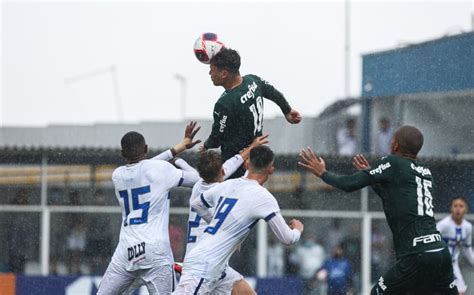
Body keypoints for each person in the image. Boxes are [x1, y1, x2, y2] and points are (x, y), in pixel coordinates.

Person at [299, 125, 458, 294]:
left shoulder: (393, 162)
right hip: (440, 252)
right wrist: (372, 175)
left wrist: (323, 173)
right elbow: (394, 198)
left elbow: (349, 184)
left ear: (395, 145)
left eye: (392, 139)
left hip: (416, 254)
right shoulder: (425, 172)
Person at [174, 145, 304, 294]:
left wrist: (220, 225)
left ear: (247, 164)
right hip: (203, 268)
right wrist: (297, 229)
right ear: (271, 170)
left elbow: (197, 203)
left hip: (218, 268)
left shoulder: (228, 184)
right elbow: (288, 238)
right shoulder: (264, 197)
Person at [97, 123, 201, 295]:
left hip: (126, 252)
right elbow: (198, 180)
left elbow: (142, 167)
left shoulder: (118, 175)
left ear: (122, 154)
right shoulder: (161, 170)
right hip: (156, 251)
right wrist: (180, 158)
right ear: (146, 148)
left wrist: (176, 148)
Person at [174, 135, 268, 295]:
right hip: (200, 264)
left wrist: (251, 148)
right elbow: (244, 179)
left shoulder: (199, 185)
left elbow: (232, 163)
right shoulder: (222, 193)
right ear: (222, 171)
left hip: (216, 265)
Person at [203, 48, 301, 178]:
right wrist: (287, 110)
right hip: (255, 157)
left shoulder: (225, 103)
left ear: (224, 74)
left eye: (212, 70)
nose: (210, 73)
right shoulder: (253, 80)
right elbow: (272, 92)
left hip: (236, 164)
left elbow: (217, 138)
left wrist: (205, 147)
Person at [437, 197, 474, 295]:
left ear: (466, 209)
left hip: (452, 264)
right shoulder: (443, 225)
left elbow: (467, 249)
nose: (458, 209)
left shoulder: (468, 227)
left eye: (461, 206)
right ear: (451, 208)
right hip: (438, 263)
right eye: (455, 206)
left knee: (460, 291)